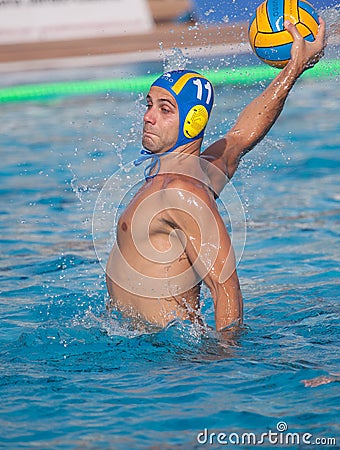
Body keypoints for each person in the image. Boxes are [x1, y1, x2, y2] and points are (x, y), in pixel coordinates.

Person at [106, 19, 326, 331]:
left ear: (193, 121)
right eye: (149, 104)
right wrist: (295, 67)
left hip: (168, 362)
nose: (148, 116)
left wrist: (224, 361)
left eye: (164, 109)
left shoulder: (181, 192)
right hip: (141, 351)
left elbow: (226, 288)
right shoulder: (198, 172)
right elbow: (239, 137)